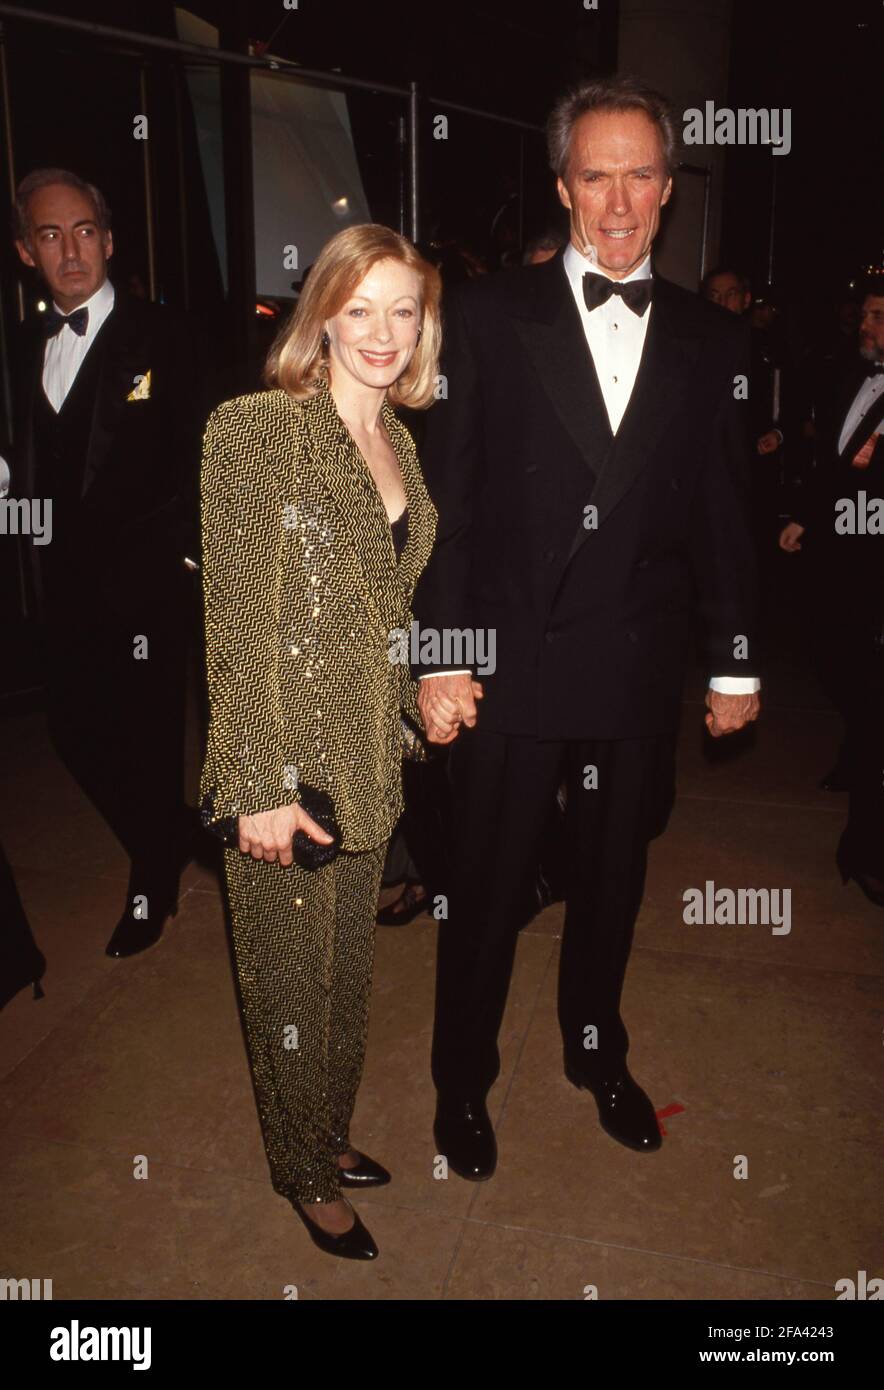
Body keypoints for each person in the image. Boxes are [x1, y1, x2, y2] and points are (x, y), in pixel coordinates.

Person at [414, 75, 760, 1180]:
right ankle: (460, 1078)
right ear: (562, 183)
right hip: (508, 664)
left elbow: (721, 510)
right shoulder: (482, 315)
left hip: (630, 663)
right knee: (487, 883)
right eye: (595, 174)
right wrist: (437, 653)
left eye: (640, 174)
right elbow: (445, 509)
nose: (618, 201)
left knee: (613, 883)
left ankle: (593, 1049)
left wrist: (734, 658)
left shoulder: (710, 336)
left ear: (667, 186)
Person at [199, 224, 439, 1258]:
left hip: (368, 770)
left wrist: (424, 683)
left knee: (344, 980)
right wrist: (254, 781)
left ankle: (326, 1132)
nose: (382, 333)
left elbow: (386, 600)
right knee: (290, 988)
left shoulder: (399, 438)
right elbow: (238, 624)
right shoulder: (255, 431)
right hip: (287, 774)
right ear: (322, 317)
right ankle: (301, 1172)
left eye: (404, 310)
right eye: (360, 309)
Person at [8, 168, 206, 959]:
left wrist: (193, 559)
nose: (71, 248)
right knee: (73, 733)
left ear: (110, 240)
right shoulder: (24, 346)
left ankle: (151, 882)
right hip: (62, 587)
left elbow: (205, 449)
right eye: (50, 235)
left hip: (153, 586)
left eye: (84, 229)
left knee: (151, 735)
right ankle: (171, 831)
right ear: (26, 252)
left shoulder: (166, 336)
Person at [779, 276, 884, 906]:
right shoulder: (851, 377)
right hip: (842, 558)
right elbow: (836, 467)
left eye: (877, 315)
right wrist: (804, 518)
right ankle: (858, 742)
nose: (864, 323)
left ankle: (866, 847)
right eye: (867, 313)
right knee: (833, 657)